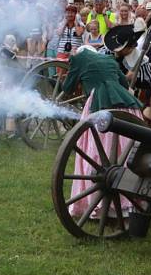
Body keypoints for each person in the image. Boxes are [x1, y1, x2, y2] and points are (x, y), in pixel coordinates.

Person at [62, 45, 146, 219]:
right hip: (126, 106)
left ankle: (105, 206)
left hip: (101, 107)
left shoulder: (78, 59)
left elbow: (67, 89)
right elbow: (123, 83)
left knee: (98, 153)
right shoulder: (109, 59)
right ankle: (130, 202)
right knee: (128, 150)